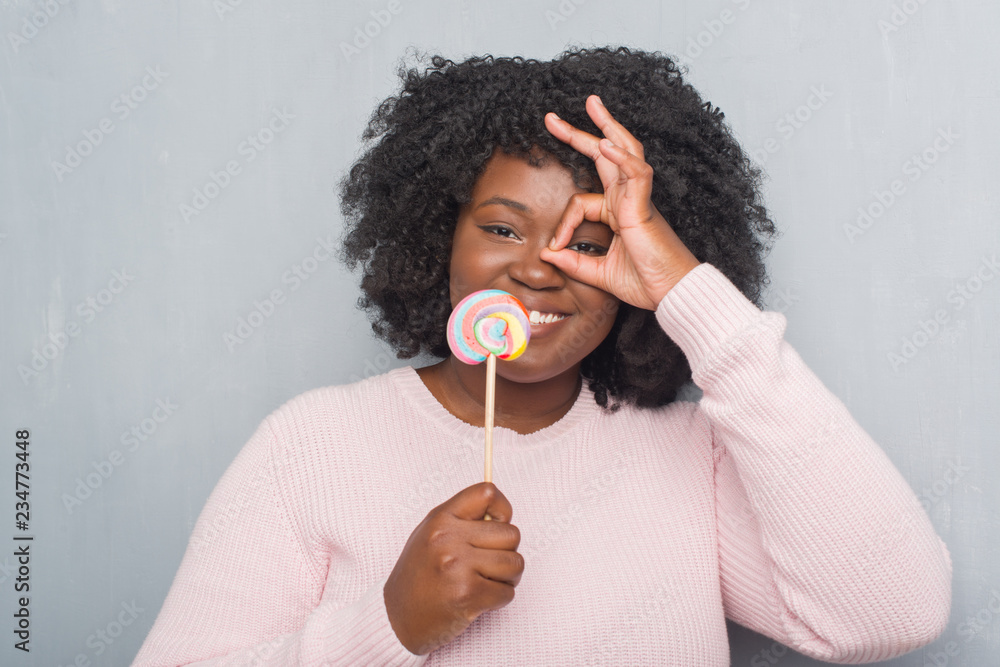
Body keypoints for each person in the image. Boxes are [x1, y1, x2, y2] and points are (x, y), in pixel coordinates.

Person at [133, 46, 952, 665]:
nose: (534, 267)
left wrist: (685, 290)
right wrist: (386, 626)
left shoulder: (690, 456)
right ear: (436, 236)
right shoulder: (307, 447)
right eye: (500, 227)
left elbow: (894, 611)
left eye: (587, 243)